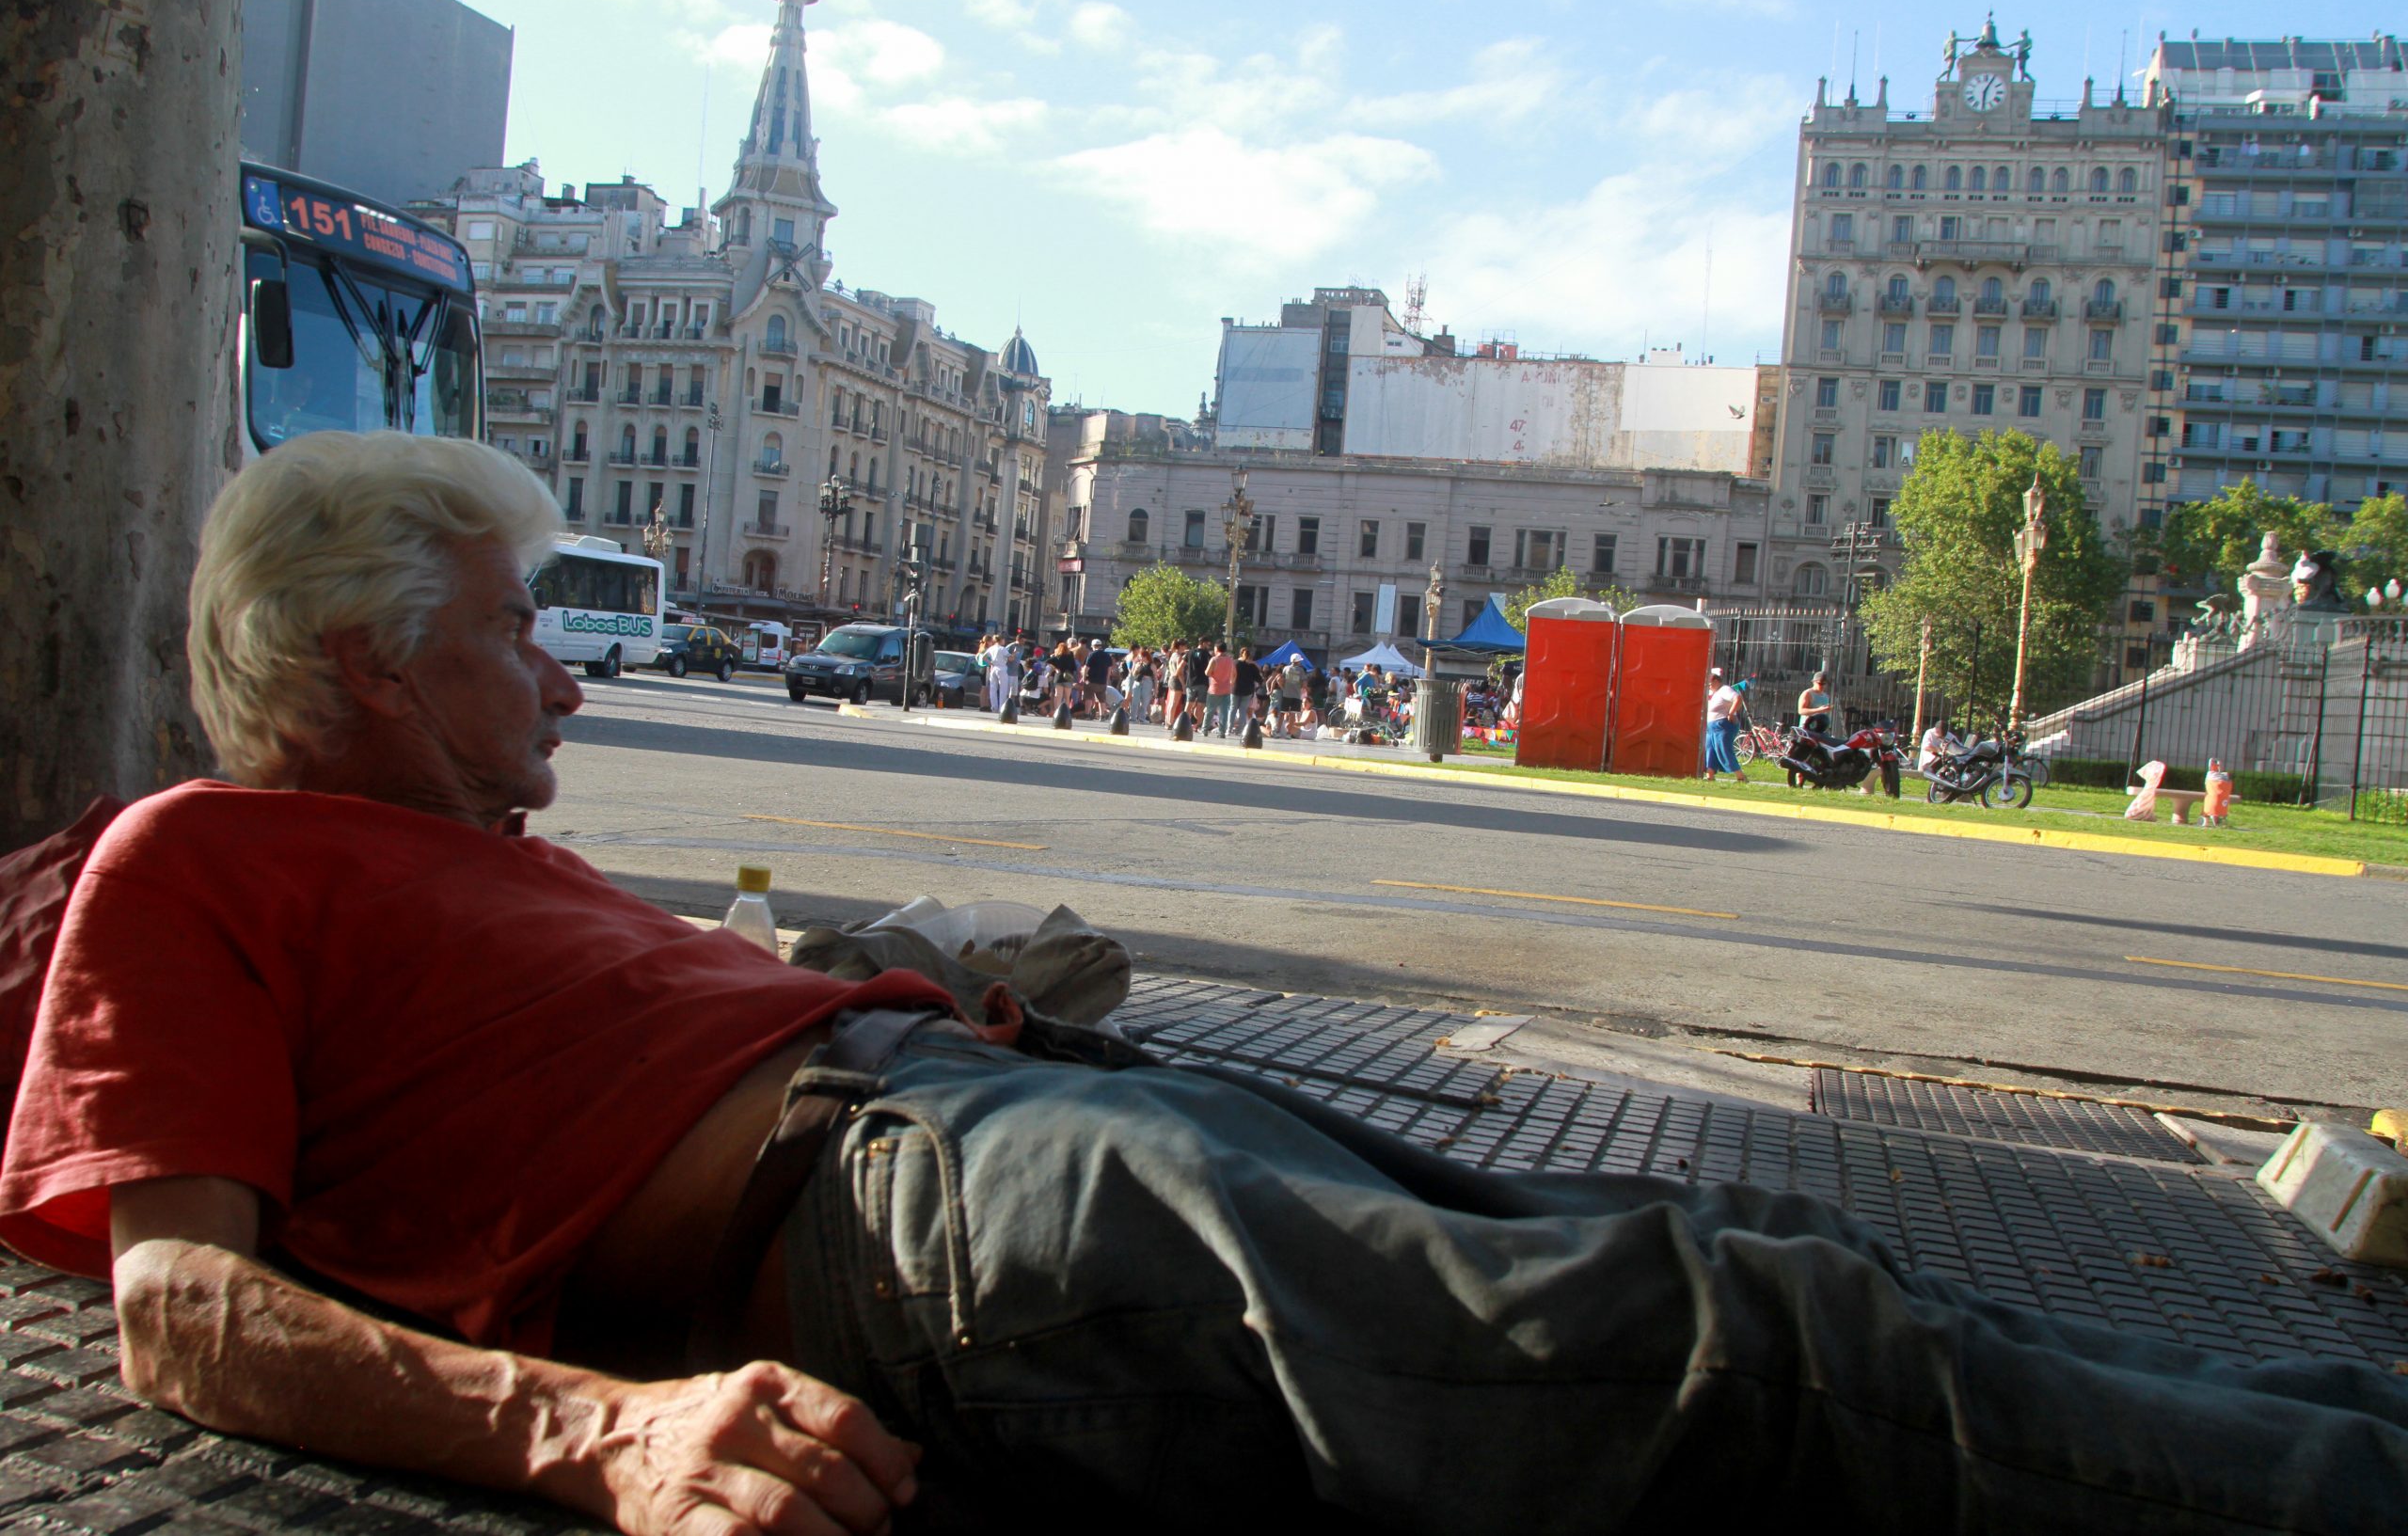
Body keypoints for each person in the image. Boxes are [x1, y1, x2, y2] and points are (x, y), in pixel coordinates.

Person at [9, 434, 2405, 1536]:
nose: (572, 677)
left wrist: (877, 959)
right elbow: (183, 1310)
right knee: (1718, 1354)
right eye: (523, 625)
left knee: (1775, 1276)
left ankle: (2310, 1426)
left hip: (1002, 1102)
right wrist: (596, 1428)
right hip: (927, 1209)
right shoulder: (196, 855)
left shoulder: (499, 869)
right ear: (364, 656)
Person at [1703, 675, 1750, 783]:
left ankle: (1741, 776)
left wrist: (1731, 713)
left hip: (1722, 725)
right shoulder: (1715, 693)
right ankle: (1710, 775)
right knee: (1710, 749)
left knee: (1723, 749)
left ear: (1715, 681)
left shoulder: (1725, 690)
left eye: (1709, 684)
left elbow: (1738, 698)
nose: (1708, 687)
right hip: (1712, 727)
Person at [1203, 641, 1237, 737]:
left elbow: (1207, 673)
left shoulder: (1214, 660)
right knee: (1224, 712)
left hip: (1214, 689)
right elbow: (1234, 674)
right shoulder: (1230, 660)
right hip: (1226, 689)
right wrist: (1231, 682)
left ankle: (1205, 730)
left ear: (1216, 649)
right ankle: (1222, 732)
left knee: (1210, 711)